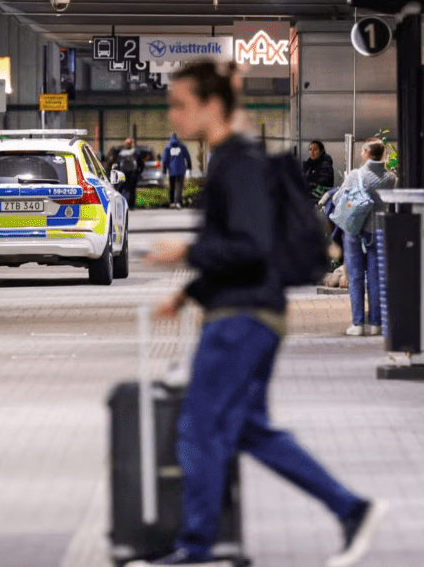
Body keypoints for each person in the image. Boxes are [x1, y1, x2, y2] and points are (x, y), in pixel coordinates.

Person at [134, 61, 387, 567]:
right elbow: (242, 246)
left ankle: (198, 547)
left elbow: (250, 246)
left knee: (198, 426)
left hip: (240, 320)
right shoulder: (235, 159)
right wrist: (186, 295)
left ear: (210, 106)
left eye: (180, 104)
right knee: (246, 428)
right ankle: (350, 509)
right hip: (251, 312)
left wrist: (182, 255)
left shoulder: (237, 162)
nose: (173, 115)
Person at [341, 140, 397, 337]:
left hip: (355, 231)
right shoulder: (390, 178)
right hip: (378, 231)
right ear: (381, 155)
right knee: (375, 278)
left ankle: (357, 324)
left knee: (356, 277)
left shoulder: (355, 176)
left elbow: (339, 198)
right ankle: (376, 323)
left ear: (365, 153)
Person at [107, 137, 144, 209]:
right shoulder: (136, 152)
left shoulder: (121, 153)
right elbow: (141, 164)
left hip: (122, 174)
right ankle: (131, 206)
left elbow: (117, 164)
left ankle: (119, 205)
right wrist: (138, 172)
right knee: (132, 191)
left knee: (120, 189)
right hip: (133, 175)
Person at [163, 133, 193, 209]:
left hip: (171, 170)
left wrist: (164, 170)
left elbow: (165, 160)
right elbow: (188, 157)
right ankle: (178, 202)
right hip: (181, 169)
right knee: (179, 186)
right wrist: (189, 168)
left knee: (172, 186)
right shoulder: (182, 146)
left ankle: (172, 202)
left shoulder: (168, 147)